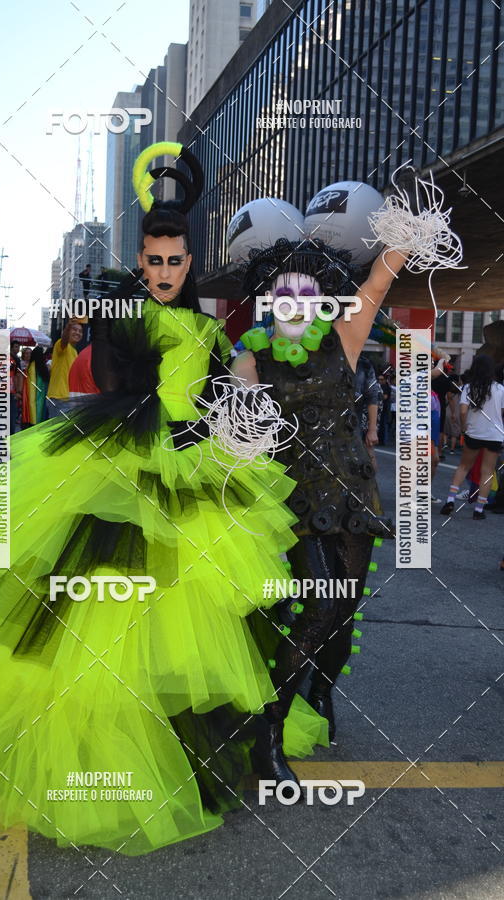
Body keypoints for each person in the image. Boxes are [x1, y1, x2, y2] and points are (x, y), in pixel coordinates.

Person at [0, 143, 326, 855]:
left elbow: (222, 385)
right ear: (144, 259)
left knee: (190, 617)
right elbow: (116, 377)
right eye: (154, 260)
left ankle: (181, 744)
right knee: (94, 612)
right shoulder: (129, 316)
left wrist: (242, 384)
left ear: (190, 263)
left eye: (175, 260)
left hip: (195, 460)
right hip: (130, 459)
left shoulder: (205, 326)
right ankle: (80, 755)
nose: (164, 272)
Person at [233, 228, 412, 777]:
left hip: (351, 492)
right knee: (318, 611)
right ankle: (270, 731)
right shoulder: (252, 354)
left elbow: (381, 279)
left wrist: (407, 236)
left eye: (306, 293)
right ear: (268, 297)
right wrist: (237, 416)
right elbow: (237, 422)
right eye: (283, 293)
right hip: (293, 498)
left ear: (322, 298)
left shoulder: (343, 334)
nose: (294, 303)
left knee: (343, 617)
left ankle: (323, 692)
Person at [441, 354, 504, 519]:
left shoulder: (468, 387)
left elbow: (463, 411)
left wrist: (464, 428)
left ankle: (450, 500)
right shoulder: (500, 389)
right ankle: (479, 510)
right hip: (494, 435)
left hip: (473, 433)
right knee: (487, 471)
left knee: (463, 467)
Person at [45, 320, 83, 417]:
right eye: (74, 329)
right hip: (59, 399)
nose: (78, 333)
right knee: (57, 431)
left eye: (80, 331)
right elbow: (64, 340)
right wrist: (68, 326)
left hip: (69, 400)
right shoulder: (60, 344)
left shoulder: (75, 352)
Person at [354, 354, 381, 470]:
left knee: (365, 464)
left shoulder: (363, 364)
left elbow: (372, 397)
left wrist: (372, 430)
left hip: (356, 425)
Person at [21, 346, 50, 427]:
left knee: (36, 414)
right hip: (42, 394)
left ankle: (34, 422)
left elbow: (31, 386)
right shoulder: (41, 366)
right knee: (41, 413)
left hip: (35, 395)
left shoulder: (32, 366)